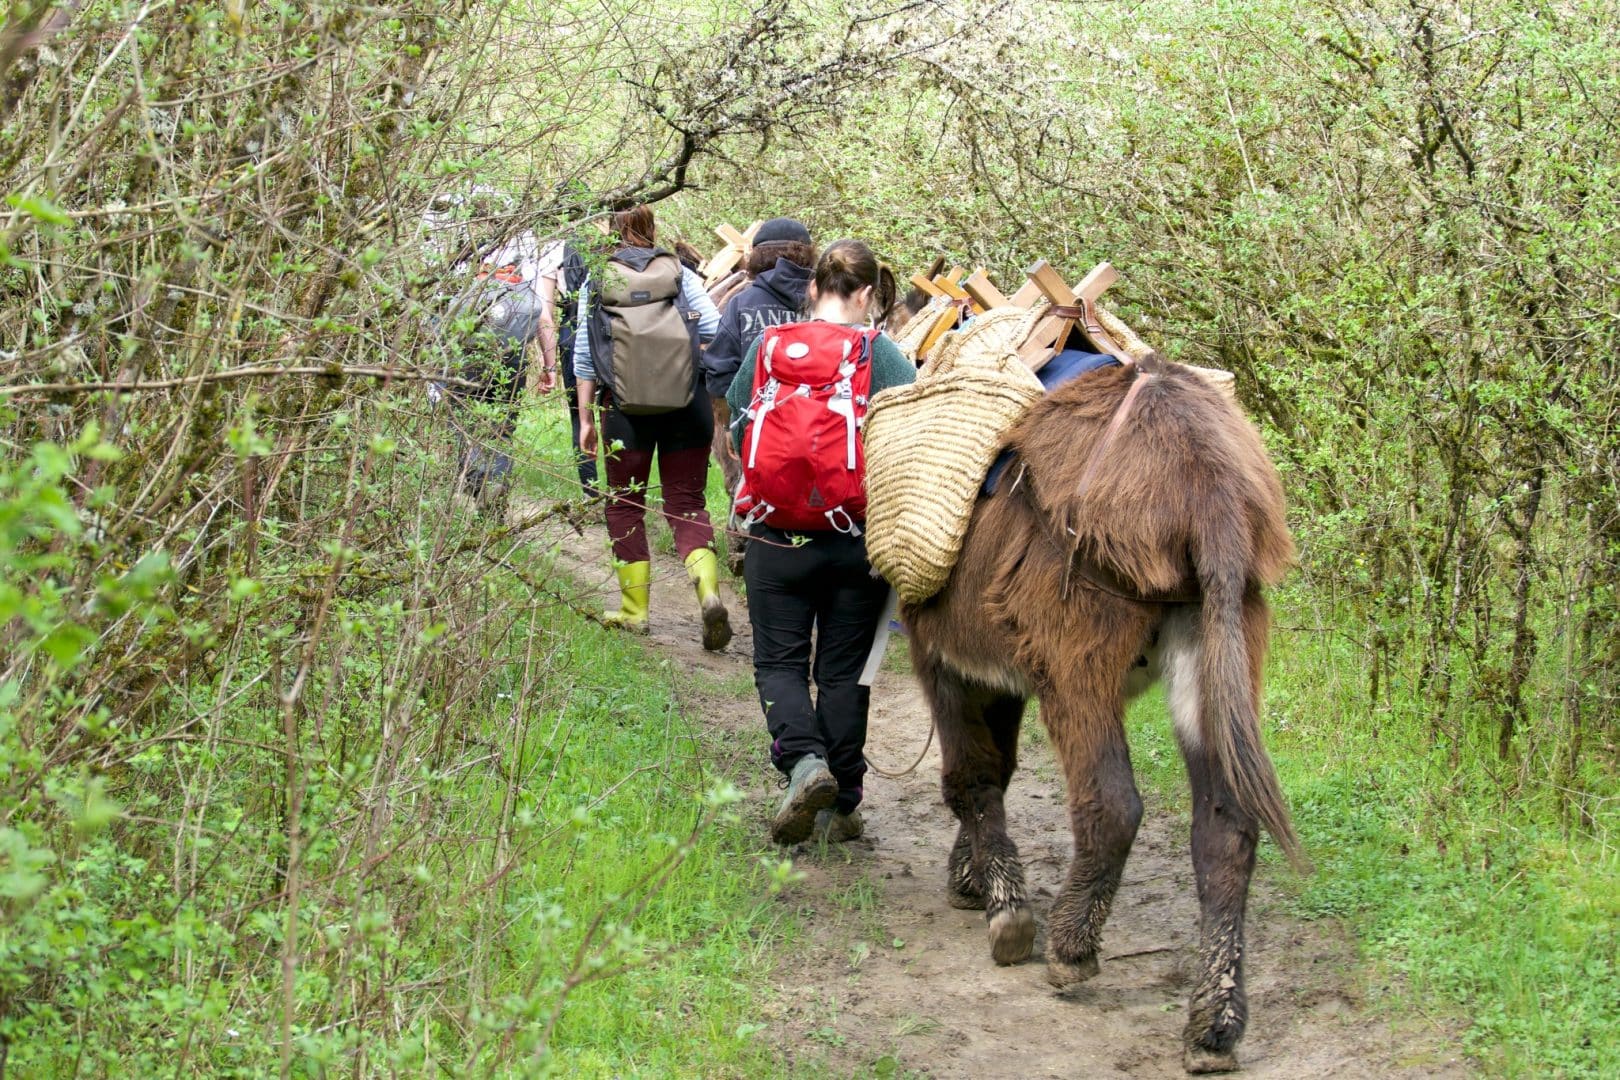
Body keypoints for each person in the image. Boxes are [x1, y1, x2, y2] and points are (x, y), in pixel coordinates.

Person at [726, 239, 916, 844]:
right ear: (865, 295)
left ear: (812, 289)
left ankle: (803, 764)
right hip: (852, 541)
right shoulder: (881, 355)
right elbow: (909, 438)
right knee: (843, 673)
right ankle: (843, 803)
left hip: (774, 538)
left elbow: (736, 421)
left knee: (778, 662)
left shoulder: (769, 347)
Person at [573, 205, 732, 651]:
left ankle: (634, 611)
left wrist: (586, 418)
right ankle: (709, 593)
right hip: (687, 405)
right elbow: (717, 329)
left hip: (624, 411)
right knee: (686, 503)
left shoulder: (598, 279)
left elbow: (585, 357)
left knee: (625, 504)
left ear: (612, 230)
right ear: (651, 228)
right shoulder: (680, 273)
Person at [701, 217, 817, 571]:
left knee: (745, 481)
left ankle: (745, 544)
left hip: (751, 418)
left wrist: (724, 418)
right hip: (815, 421)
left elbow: (719, 366)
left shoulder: (742, 302)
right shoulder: (824, 304)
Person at [537, 238, 598, 499]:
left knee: (580, 414)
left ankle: (591, 492)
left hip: (573, 331)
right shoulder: (614, 241)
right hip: (613, 333)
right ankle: (626, 496)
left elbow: (545, 313)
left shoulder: (553, 250)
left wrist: (548, 362)